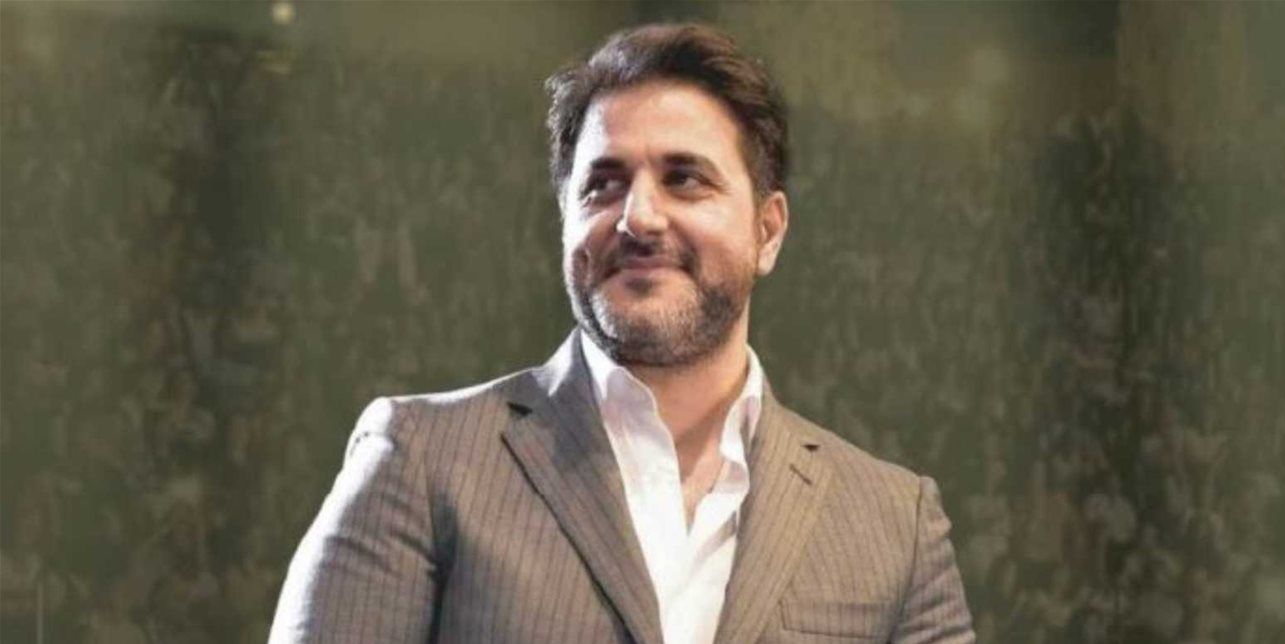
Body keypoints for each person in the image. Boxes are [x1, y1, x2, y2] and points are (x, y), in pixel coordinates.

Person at [270, 22, 973, 644]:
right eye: (602, 185)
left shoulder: (893, 525)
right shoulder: (421, 461)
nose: (638, 218)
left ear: (767, 231)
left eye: (684, 179)